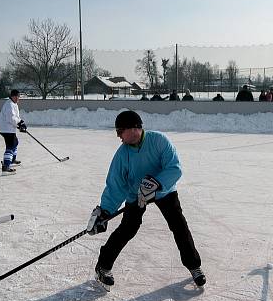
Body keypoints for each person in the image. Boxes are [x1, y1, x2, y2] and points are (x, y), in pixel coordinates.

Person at [86, 110, 206, 290]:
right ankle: (103, 266)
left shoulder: (159, 140)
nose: (119, 137)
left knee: (178, 225)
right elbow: (115, 186)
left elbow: (174, 168)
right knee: (128, 229)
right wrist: (105, 211)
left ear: (134, 129)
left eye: (120, 132)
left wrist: (157, 184)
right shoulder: (122, 154)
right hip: (136, 195)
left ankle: (194, 265)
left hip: (163, 191)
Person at [0, 89, 27, 173]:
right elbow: (11, 118)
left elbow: (15, 117)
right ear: (12, 96)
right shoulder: (9, 104)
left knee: (15, 142)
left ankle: (12, 159)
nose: (18, 98)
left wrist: (21, 122)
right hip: (5, 128)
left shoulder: (14, 104)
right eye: (16, 96)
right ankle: (6, 165)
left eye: (18, 96)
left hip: (8, 128)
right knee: (11, 145)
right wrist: (19, 124)